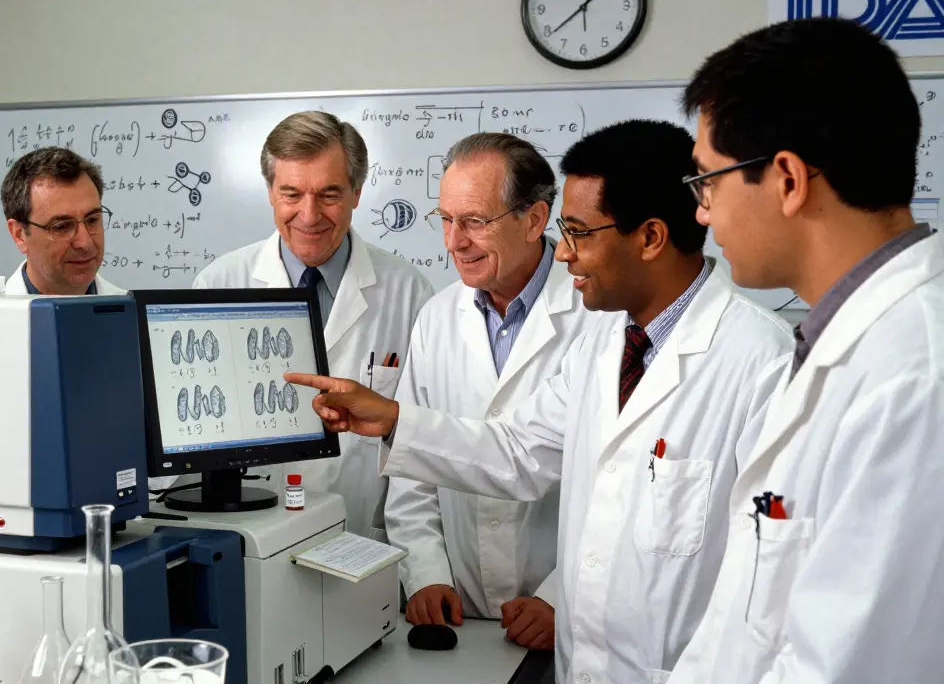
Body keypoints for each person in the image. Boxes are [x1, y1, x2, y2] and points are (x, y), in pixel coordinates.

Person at [287, 119, 795, 682]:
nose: (565, 254)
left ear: (650, 238)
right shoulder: (607, 341)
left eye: (577, 233)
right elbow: (517, 451)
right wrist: (392, 422)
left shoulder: (760, 360)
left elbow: (765, 576)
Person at [668, 18, 944, 684]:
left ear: (788, 180)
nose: (702, 213)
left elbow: (852, 666)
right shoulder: (846, 343)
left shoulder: (914, 380)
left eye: (707, 181)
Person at [384, 132, 600, 649]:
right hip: (459, 608)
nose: (454, 241)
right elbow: (414, 465)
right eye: (446, 219)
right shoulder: (437, 316)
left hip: (564, 612)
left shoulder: (598, 314)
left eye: (475, 222)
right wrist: (426, 571)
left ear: (534, 218)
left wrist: (562, 596)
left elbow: (612, 484)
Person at [193, 111, 434, 541]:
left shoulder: (409, 292)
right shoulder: (218, 283)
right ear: (269, 192)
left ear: (357, 193)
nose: (309, 215)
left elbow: (421, 444)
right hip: (251, 538)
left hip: (364, 537)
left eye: (329, 194)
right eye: (291, 194)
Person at [2, 146, 124, 295]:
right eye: (62, 227)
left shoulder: (136, 313)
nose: (85, 243)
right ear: (19, 235)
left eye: (92, 220)